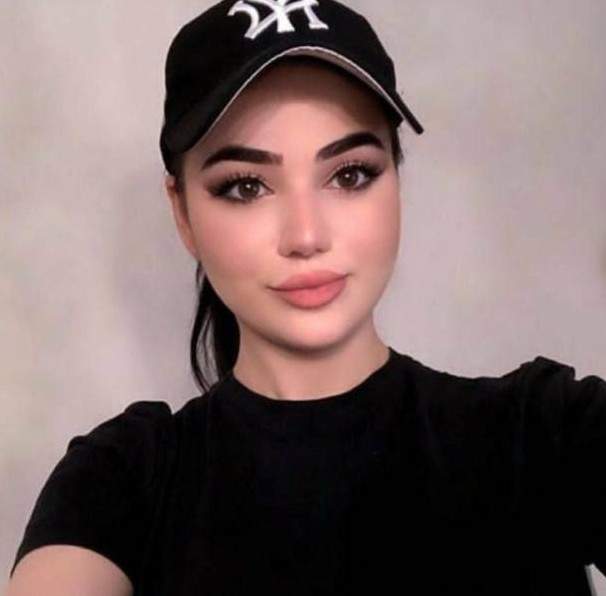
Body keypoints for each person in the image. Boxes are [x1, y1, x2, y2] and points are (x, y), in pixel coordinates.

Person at [6, 1, 606, 595]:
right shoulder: (122, 478)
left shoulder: (542, 432)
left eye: (350, 175)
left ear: (396, 180)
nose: (306, 235)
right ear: (182, 212)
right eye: (246, 186)